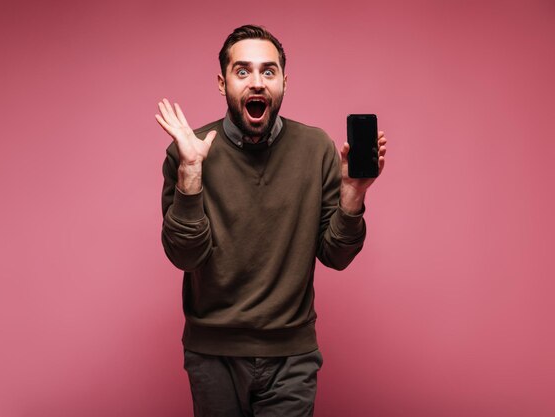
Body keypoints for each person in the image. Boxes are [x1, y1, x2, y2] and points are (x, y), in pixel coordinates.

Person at [155, 24, 387, 417]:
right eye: (242, 71)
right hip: (213, 355)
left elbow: (336, 255)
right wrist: (191, 172)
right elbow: (185, 256)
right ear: (222, 82)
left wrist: (353, 192)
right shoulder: (188, 151)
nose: (256, 82)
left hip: (291, 355)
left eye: (268, 71)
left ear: (283, 81)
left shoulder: (316, 149)